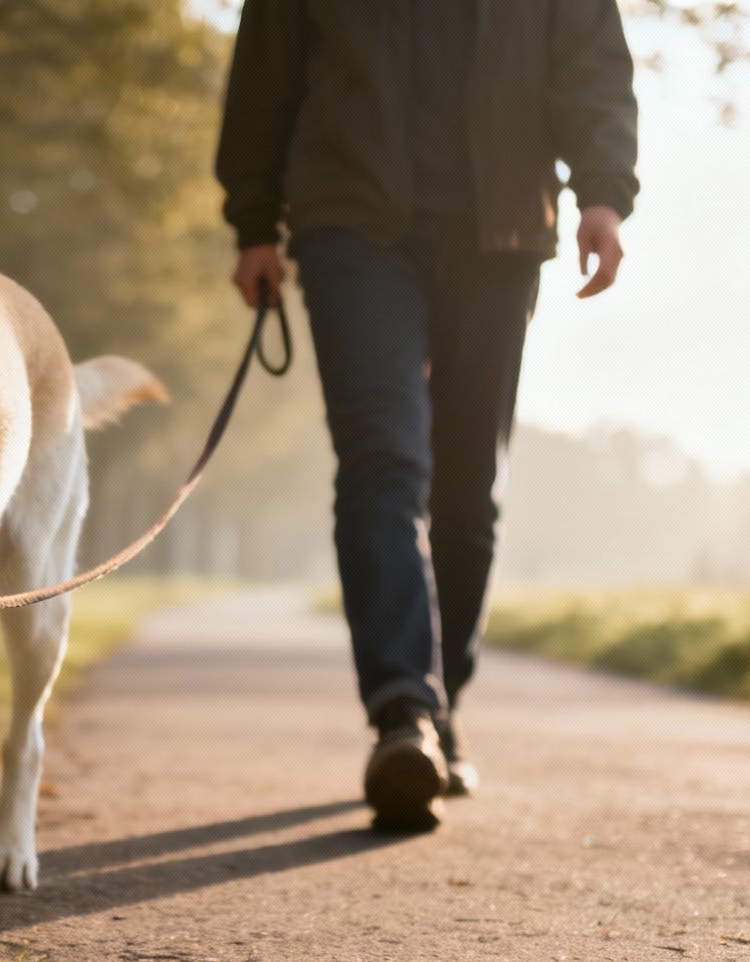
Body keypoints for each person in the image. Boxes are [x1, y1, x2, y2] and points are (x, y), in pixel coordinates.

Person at [214, 1, 639, 831]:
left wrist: (603, 192)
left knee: (467, 486)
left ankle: (442, 707)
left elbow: (591, 61)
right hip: (350, 226)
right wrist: (254, 223)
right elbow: (266, 74)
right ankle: (402, 711)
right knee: (383, 461)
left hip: (503, 226)